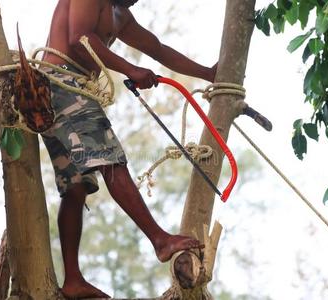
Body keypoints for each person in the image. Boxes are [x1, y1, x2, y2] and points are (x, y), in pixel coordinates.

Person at [41, 0, 217, 298]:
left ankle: (72, 279)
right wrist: (131, 69)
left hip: (72, 89)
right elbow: (79, 40)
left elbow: (157, 49)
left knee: (76, 186)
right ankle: (160, 240)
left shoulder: (120, 15)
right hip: (60, 83)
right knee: (111, 161)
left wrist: (208, 74)